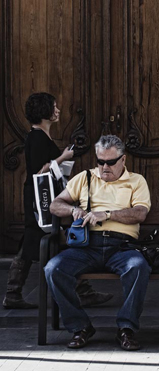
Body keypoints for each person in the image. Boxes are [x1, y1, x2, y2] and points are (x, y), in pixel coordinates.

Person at [3, 92, 111, 309]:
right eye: (54, 107)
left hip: (43, 197)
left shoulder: (40, 136)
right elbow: (38, 171)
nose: (58, 110)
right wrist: (63, 157)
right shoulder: (36, 137)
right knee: (56, 236)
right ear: (45, 111)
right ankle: (82, 291)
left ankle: (15, 293)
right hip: (40, 198)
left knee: (44, 238)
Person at [45, 135, 151, 351]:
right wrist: (73, 210)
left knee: (138, 267)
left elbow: (140, 213)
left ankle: (126, 328)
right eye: (100, 161)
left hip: (121, 247)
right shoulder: (84, 178)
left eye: (111, 162)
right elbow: (55, 205)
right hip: (87, 246)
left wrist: (108, 214)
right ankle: (80, 327)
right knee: (53, 269)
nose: (105, 167)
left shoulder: (136, 181)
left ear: (123, 160)